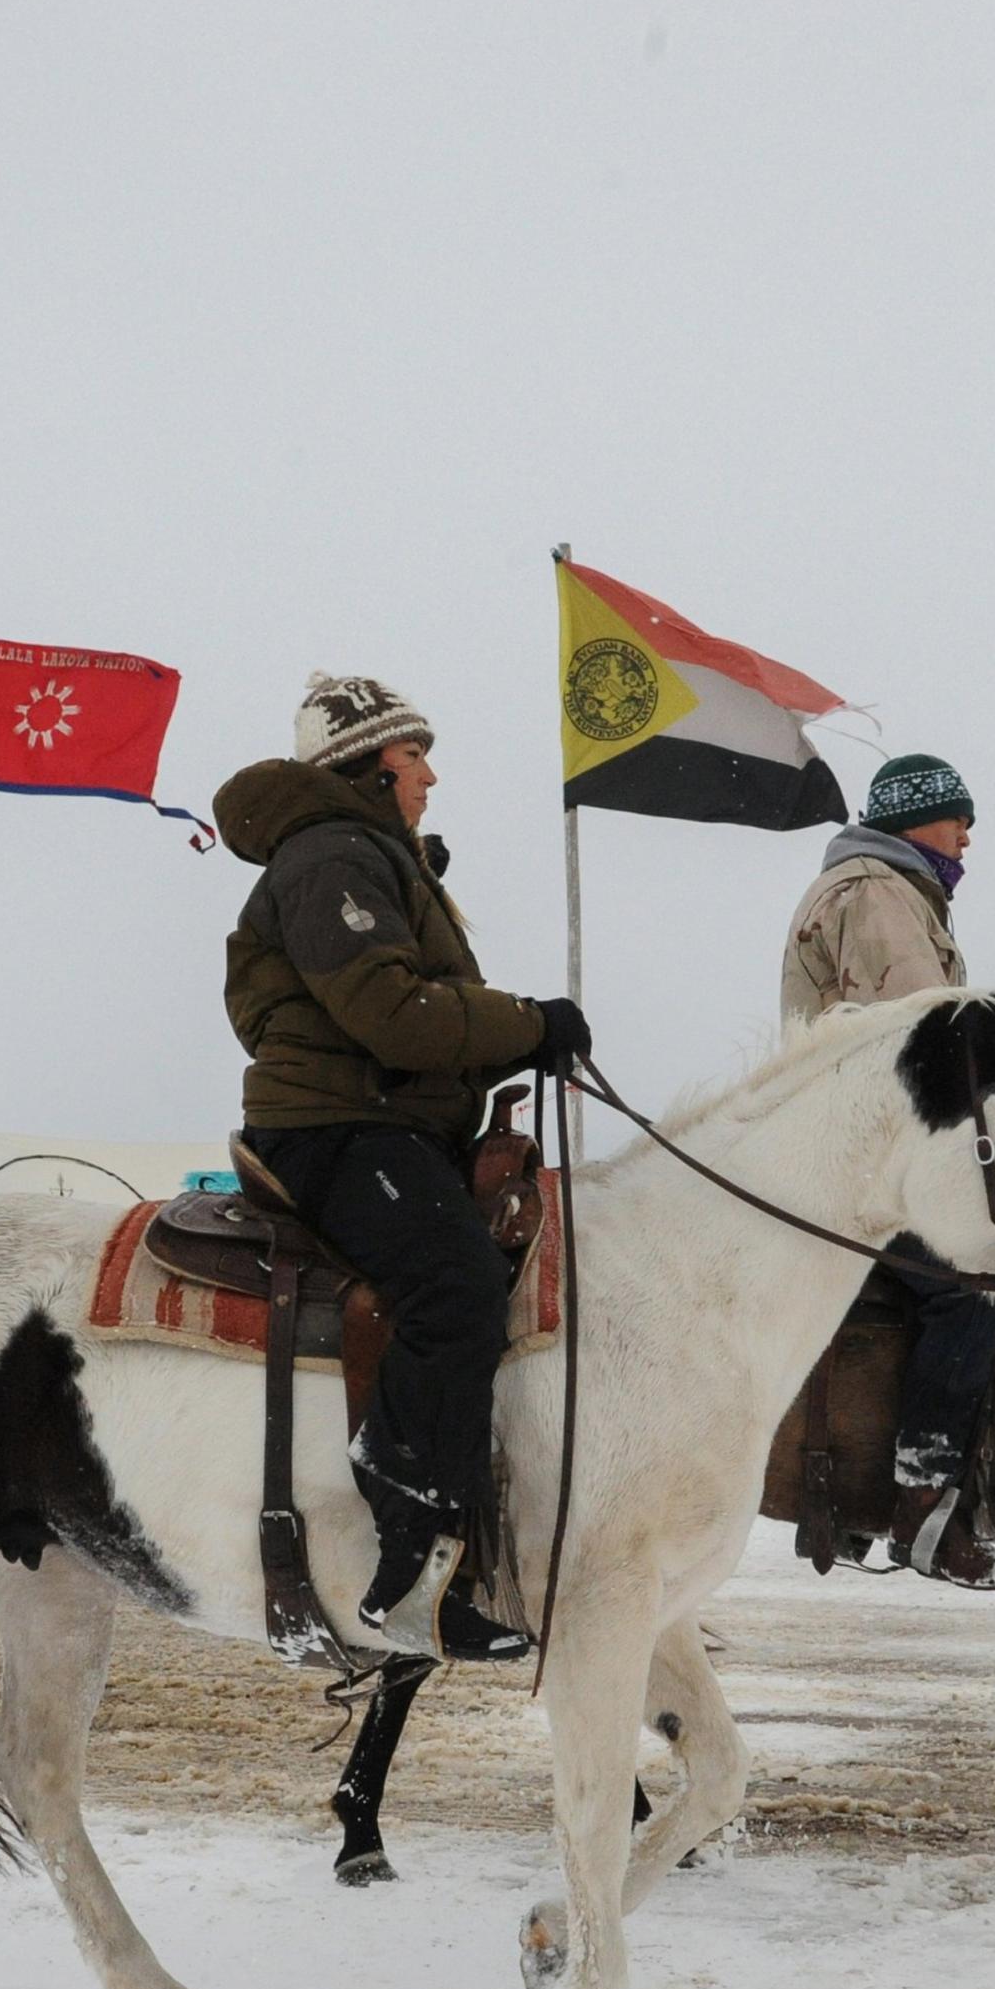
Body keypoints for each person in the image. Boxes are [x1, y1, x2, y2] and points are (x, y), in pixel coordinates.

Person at [217, 673, 590, 1661]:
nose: (430, 772)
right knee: (457, 1285)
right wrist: (531, 1024)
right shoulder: (332, 856)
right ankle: (407, 1540)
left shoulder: (373, 856)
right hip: (339, 1127)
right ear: (371, 765)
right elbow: (390, 1014)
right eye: (415, 752)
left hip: (387, 1123)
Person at [779, 753, 995, 1587]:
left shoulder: (879, 887)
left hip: (851, 1145)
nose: (966, 840)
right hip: (862, 1162)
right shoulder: (880, 892)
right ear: (918, 819)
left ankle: (856, 1499)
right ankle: (921, 1498)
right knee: (975, 1287)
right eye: (960, 820)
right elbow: (924, 1031)